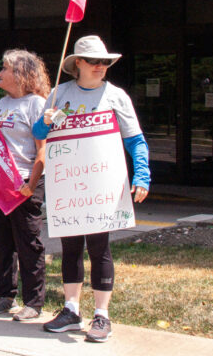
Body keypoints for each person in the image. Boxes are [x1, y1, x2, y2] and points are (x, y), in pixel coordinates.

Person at [32, 35, 150, 343]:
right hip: (70, 188)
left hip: (101, 187)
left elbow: (135, 140)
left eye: (105, 62)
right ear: (78, 64)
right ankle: (71, 309)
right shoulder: (61, 95)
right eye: (95, 61)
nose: (101, 66)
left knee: (99, 248)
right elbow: (41, 132)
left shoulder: (116, 96)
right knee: (71, 248)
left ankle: (102, 315)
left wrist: (142, 175)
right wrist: (45, 122)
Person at [0, 49, 50, 321]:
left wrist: (31, 185)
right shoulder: (2, 102)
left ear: (20, 74)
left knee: (28, 243)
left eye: (5, 68)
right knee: (1, 241)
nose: (0, 73)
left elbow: (42, 150)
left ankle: (33, 301)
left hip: (23, 184)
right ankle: (5, 295)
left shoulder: (36, 104)